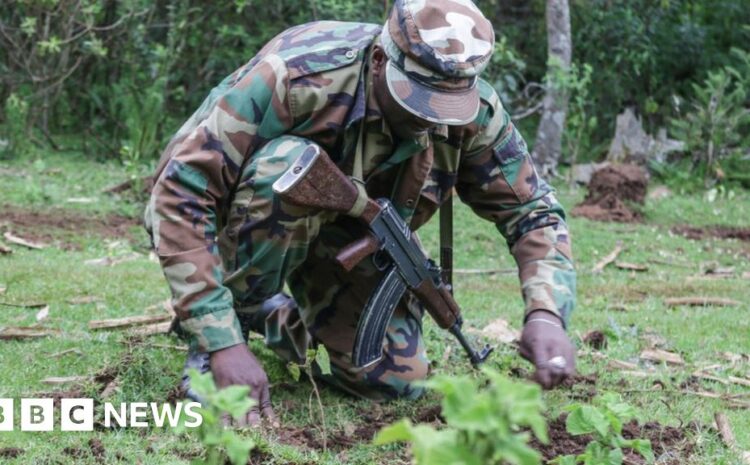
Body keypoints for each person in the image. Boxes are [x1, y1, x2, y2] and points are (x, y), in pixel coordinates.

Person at [144, 0, 577, 427]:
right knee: (286, 164)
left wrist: (546, 312)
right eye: (419, 99)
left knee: (394, 379)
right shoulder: (297, 77)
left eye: (448, 107)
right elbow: (182, 191)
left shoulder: (475, 114)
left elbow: (533, 213)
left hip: (352, 239)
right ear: (377, 60)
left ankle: (277, 317)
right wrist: (222, 343)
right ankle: (224, 325)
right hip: (246, 218)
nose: (429, 120)